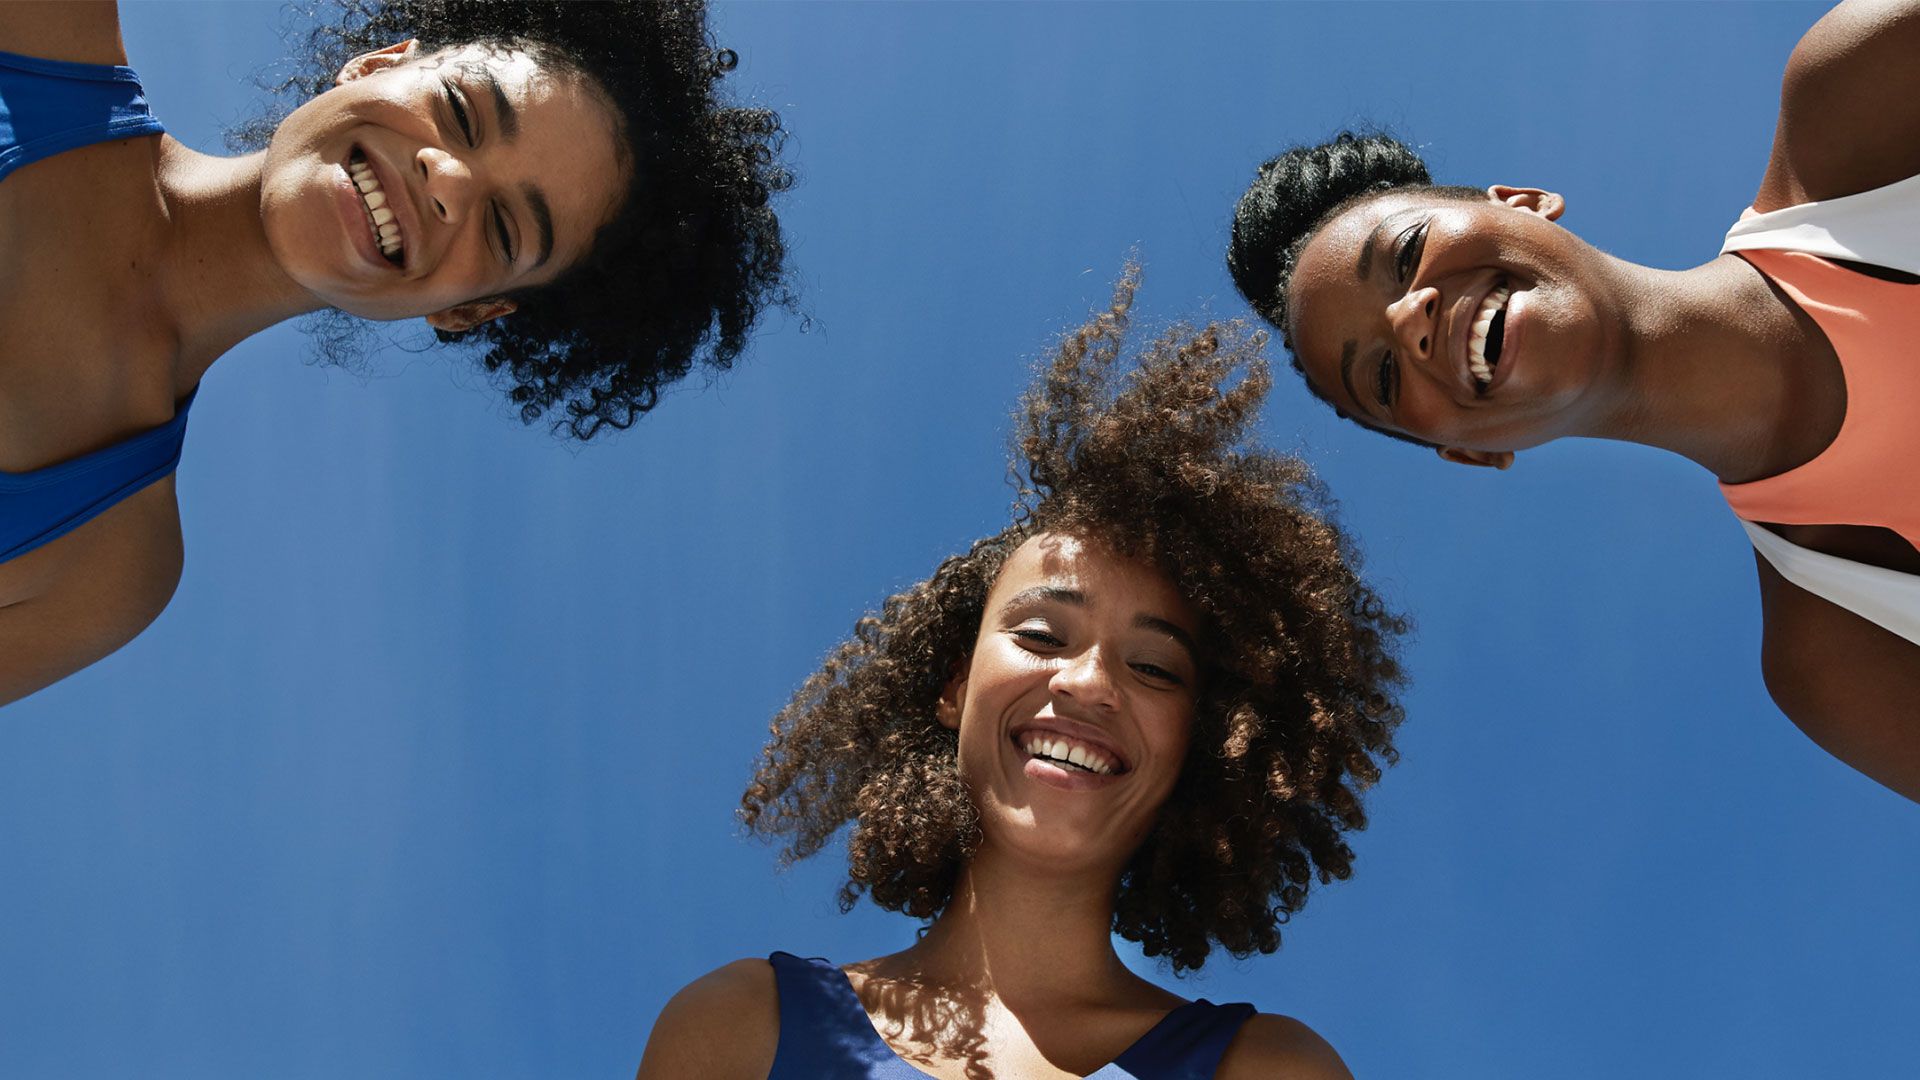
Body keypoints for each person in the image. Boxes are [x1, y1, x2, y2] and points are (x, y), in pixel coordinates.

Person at [638, 269, 1407, 1079]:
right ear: (953, 687)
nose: (1089, 682)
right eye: (1042, 634)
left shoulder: (1267, 1067)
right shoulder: (740, 1027)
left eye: (1153, 667)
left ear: (1204, 744)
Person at [0, 0, 792, 704]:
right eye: (461, 111)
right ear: (378, 64)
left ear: (468, 310)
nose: (446, 181)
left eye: (503, 228)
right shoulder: (41, 21)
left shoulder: (103, 570)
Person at [1227, 0, 1920, 801]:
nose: (1410, 319)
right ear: (1474, 451)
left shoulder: (1854, 104)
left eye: (1408, 252)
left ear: (1522, 202)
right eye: (1382, 378)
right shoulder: (1838, 654)